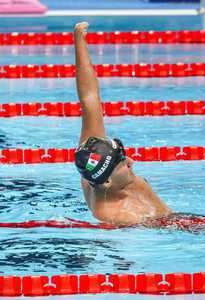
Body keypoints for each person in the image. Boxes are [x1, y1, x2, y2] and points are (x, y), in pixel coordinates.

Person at [73, 22, 172, 226]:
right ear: (107, 181)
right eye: (123, 164)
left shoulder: (93, 158)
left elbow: (89, 98)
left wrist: (79, 40)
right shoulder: (117, 218)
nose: (131, 162)